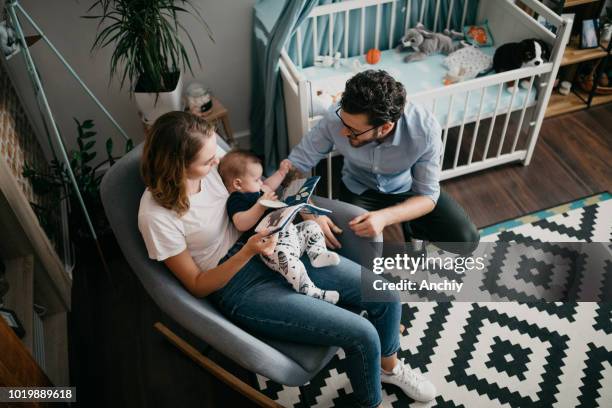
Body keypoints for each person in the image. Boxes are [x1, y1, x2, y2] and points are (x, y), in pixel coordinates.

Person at [137, 111, 436, 407]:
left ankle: (389, 369)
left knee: (386, 295)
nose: (217, 162)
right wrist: (248, 251)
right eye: (207, 161)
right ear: (178, 165)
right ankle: (369, 402)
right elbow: (197, 285)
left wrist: (303, 209)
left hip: (273, 244)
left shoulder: (213, 167)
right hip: (239, 285)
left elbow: (258, 190)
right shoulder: (156, 216)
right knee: (363, 334)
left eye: (215, 153)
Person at [288, 70, 479, 256]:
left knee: (467, 239)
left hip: (408, 188)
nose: (343, 133)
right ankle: (408, 222)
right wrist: (311, 214)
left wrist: (384, 217)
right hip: (358, 187)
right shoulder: (336, 118)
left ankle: (413, 227)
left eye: (353, 130)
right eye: (344, 123)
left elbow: (427, 196)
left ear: (385, 127)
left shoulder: (425, 130)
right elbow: (292, 168)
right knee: (347, 248)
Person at [218, 149, 341, 304]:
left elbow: (268, 184)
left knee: (311, 226)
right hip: (273, 247)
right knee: (289, 262)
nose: (261, 183)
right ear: (237, 183)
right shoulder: (237, 199)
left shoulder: (257, 190)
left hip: (291, 234)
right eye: (256, 180)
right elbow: (240, 223)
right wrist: (260, 206)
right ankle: (311, 290)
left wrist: (281, 173)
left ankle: (317, 254)